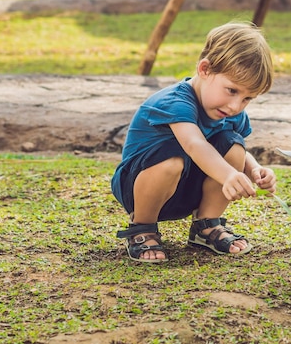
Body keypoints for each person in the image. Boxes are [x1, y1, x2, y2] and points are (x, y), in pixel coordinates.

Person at [111, 21, 277, 263]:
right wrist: (229, 175)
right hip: (140, 187)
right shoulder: (175, 102)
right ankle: (142, 227)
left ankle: (206, 226)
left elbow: (238, 151)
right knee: (172, 158)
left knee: (232, 143)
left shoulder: (229, 112)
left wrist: (254, 170)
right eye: (231, 90)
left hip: (186, 189)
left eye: (247, 98)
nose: (236, 106)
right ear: (205, 69)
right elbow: (194, 145)